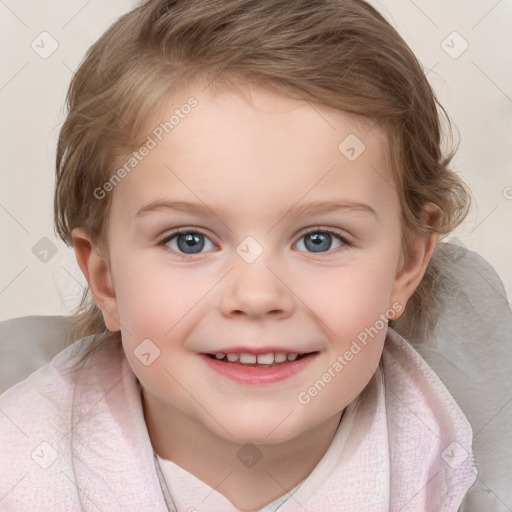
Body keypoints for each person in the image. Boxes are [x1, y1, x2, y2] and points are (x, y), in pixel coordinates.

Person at [0, 0, 478, 510]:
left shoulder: (447, 449)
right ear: (106, 279)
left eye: (320, 239)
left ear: (406, 265)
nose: (256, 296)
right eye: (189, 240)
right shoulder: (25, 469)